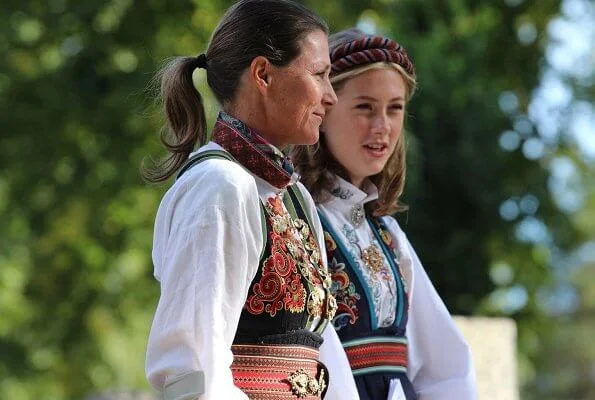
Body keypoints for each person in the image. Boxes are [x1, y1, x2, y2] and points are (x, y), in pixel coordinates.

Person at [143, 1, 359, 399]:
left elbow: (321, 355)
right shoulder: (219, 186)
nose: (330, 96)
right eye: (320, 74)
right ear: (263, 74)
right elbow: (190, 371)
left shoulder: (294, 198)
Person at [291, 28, 478, 400]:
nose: (383, 127)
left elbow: (447, 370)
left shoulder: (389, 234)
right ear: (323, 109)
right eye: (364, 107)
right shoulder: (294, 220)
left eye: (395, 108)